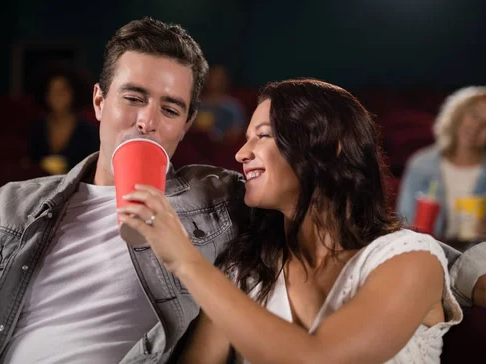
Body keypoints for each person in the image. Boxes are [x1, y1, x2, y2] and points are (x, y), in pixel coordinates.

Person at [0, 18, 486, 364]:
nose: (145, 121)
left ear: (187, 125)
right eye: (132, 97)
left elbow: (363, 236)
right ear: (101, 102)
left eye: (171, 108)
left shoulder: (217, 201)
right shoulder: (9, 207)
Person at [120, 79, 465, 363]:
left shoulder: (412, 259)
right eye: (245, 138)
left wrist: (184, 260)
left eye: (264, 135)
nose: (241, 154)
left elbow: (319, 358)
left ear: (332, 148)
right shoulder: (246, 272)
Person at [397, 85, 486, 246]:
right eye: (474, 116)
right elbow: (402, 226)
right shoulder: (420, 165)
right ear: (459, 115)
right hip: (430, 258)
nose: (476, 127)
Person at [28, 63, 99, 174]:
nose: (56, 96)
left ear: (73, 93)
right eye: (51, 91)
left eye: (62, 91)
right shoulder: (37, 128)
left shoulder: (88, 130)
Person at [194, 64, 246, 143]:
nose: (216, 82)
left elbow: (237, 131)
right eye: (213, 78)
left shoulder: (233, 106)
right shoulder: (197, 104)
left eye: (219, 79)